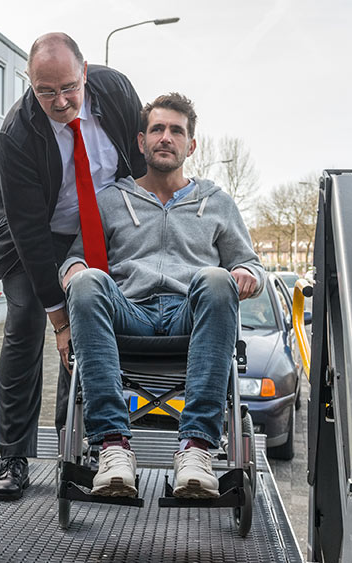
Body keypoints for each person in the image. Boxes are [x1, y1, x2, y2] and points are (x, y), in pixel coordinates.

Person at [60, 93, 266, 498]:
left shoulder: (217, 202)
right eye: (157, 129)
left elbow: (252, 265)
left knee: (214, 277)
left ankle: (196, 448)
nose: (166, 137)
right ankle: (114, 447)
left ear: (191, 146)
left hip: (189, 315)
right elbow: (74, 260)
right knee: (87, 282)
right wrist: (75, 271)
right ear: (142, 142)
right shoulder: (112, 200)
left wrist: (244, 273)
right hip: (129, 312)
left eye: (176, 131)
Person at [0, 32, 146, 500]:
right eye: (45, 91)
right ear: (30, 84)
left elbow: (137, 170)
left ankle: (72, 448)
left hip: (93, 229)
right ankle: (13, 454)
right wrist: (56, 313)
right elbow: (28, 230)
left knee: (87, 326)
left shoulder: (115, 92)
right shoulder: (17, 132)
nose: (59, 101)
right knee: (27, 325)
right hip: (30, 238)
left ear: (85, 72)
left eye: (68, 88)